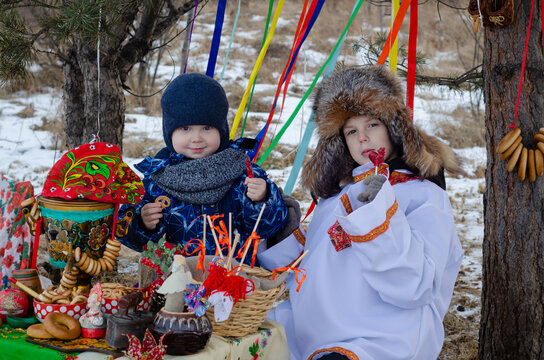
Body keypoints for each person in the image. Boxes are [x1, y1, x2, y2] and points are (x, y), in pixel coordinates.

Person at [258, 65, 464, 360]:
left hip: (379, 339)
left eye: (372, 125)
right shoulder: (336, 198)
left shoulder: (424, 196)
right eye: (351, 131)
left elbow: (415, 286)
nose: (363, 138)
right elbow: (294, 259)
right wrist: (271, 218)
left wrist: (378, 213)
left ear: (394, 127)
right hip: (307, 332)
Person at [117, 73, 293, 262]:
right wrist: (143, 224)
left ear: (221, 130)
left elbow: (269, 229)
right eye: (186, 129)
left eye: (207, 128)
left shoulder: (244, 174)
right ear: (169, 133)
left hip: (236, 280)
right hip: (175, 283)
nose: (196, 138)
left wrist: (262, 200)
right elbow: (128, 235)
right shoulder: (156, 182)